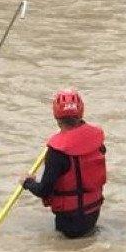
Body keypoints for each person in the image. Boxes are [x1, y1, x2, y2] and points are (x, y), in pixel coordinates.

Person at [22, 89, 107, 238]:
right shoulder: (97, 140)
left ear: (56, 116)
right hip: (93, 212)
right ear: (81, 112)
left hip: (69, 222)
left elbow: (44, 191)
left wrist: (27, 183)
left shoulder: (56, 152)